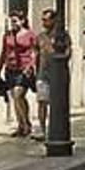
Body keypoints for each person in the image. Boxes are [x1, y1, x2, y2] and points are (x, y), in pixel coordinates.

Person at [0, 11, 37, 138]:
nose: (12, 24)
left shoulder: (29, 35)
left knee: (19, 94)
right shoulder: (7, 35)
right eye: (11, 21)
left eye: (15, 21)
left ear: (22, 21)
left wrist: (31, 65)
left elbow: (35, 52)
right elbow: (4, 52)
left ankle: (27, 124)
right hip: (10, 69)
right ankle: (21, 125)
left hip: (23, 69)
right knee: (15, 97)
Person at [32, 9, 59, 140]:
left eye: (46, 20)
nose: (43, 22)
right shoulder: (40, 37)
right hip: (42, 74)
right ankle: (42, 130)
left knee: (55, 104)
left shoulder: (61, 36)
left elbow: (68, 53)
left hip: (57, 76)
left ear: (53, 20)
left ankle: (55, 130)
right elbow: (35, 52)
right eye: (42, 20)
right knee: (42, 102)